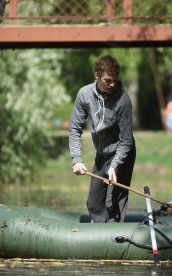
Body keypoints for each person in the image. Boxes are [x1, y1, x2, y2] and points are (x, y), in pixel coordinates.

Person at [69, 55, 136, 223]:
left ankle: (114, 234)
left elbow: (126, 140)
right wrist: (76, 160)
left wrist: (115, 166)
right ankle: (98, 233)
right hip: (102, 153)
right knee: (94, 202)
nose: (112, 84)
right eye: (107, 80)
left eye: (115, 80)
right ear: (96, 76)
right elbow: (75, 128)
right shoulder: (84, 95)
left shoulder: (123, 101)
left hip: (122, 154)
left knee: (113, 201)